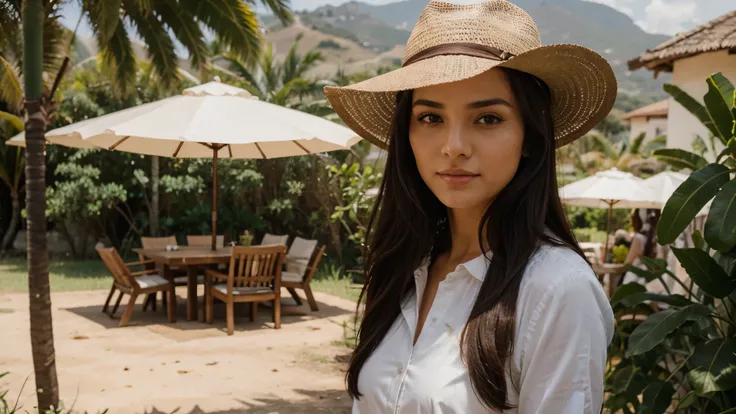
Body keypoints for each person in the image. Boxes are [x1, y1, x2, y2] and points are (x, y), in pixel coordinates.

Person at [324, 0, 616, 412]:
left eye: (488, 119)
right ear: (406, 133)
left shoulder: (556, 290)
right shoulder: (406, 264)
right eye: (430, 118)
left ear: (530, 136)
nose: (454, 148)